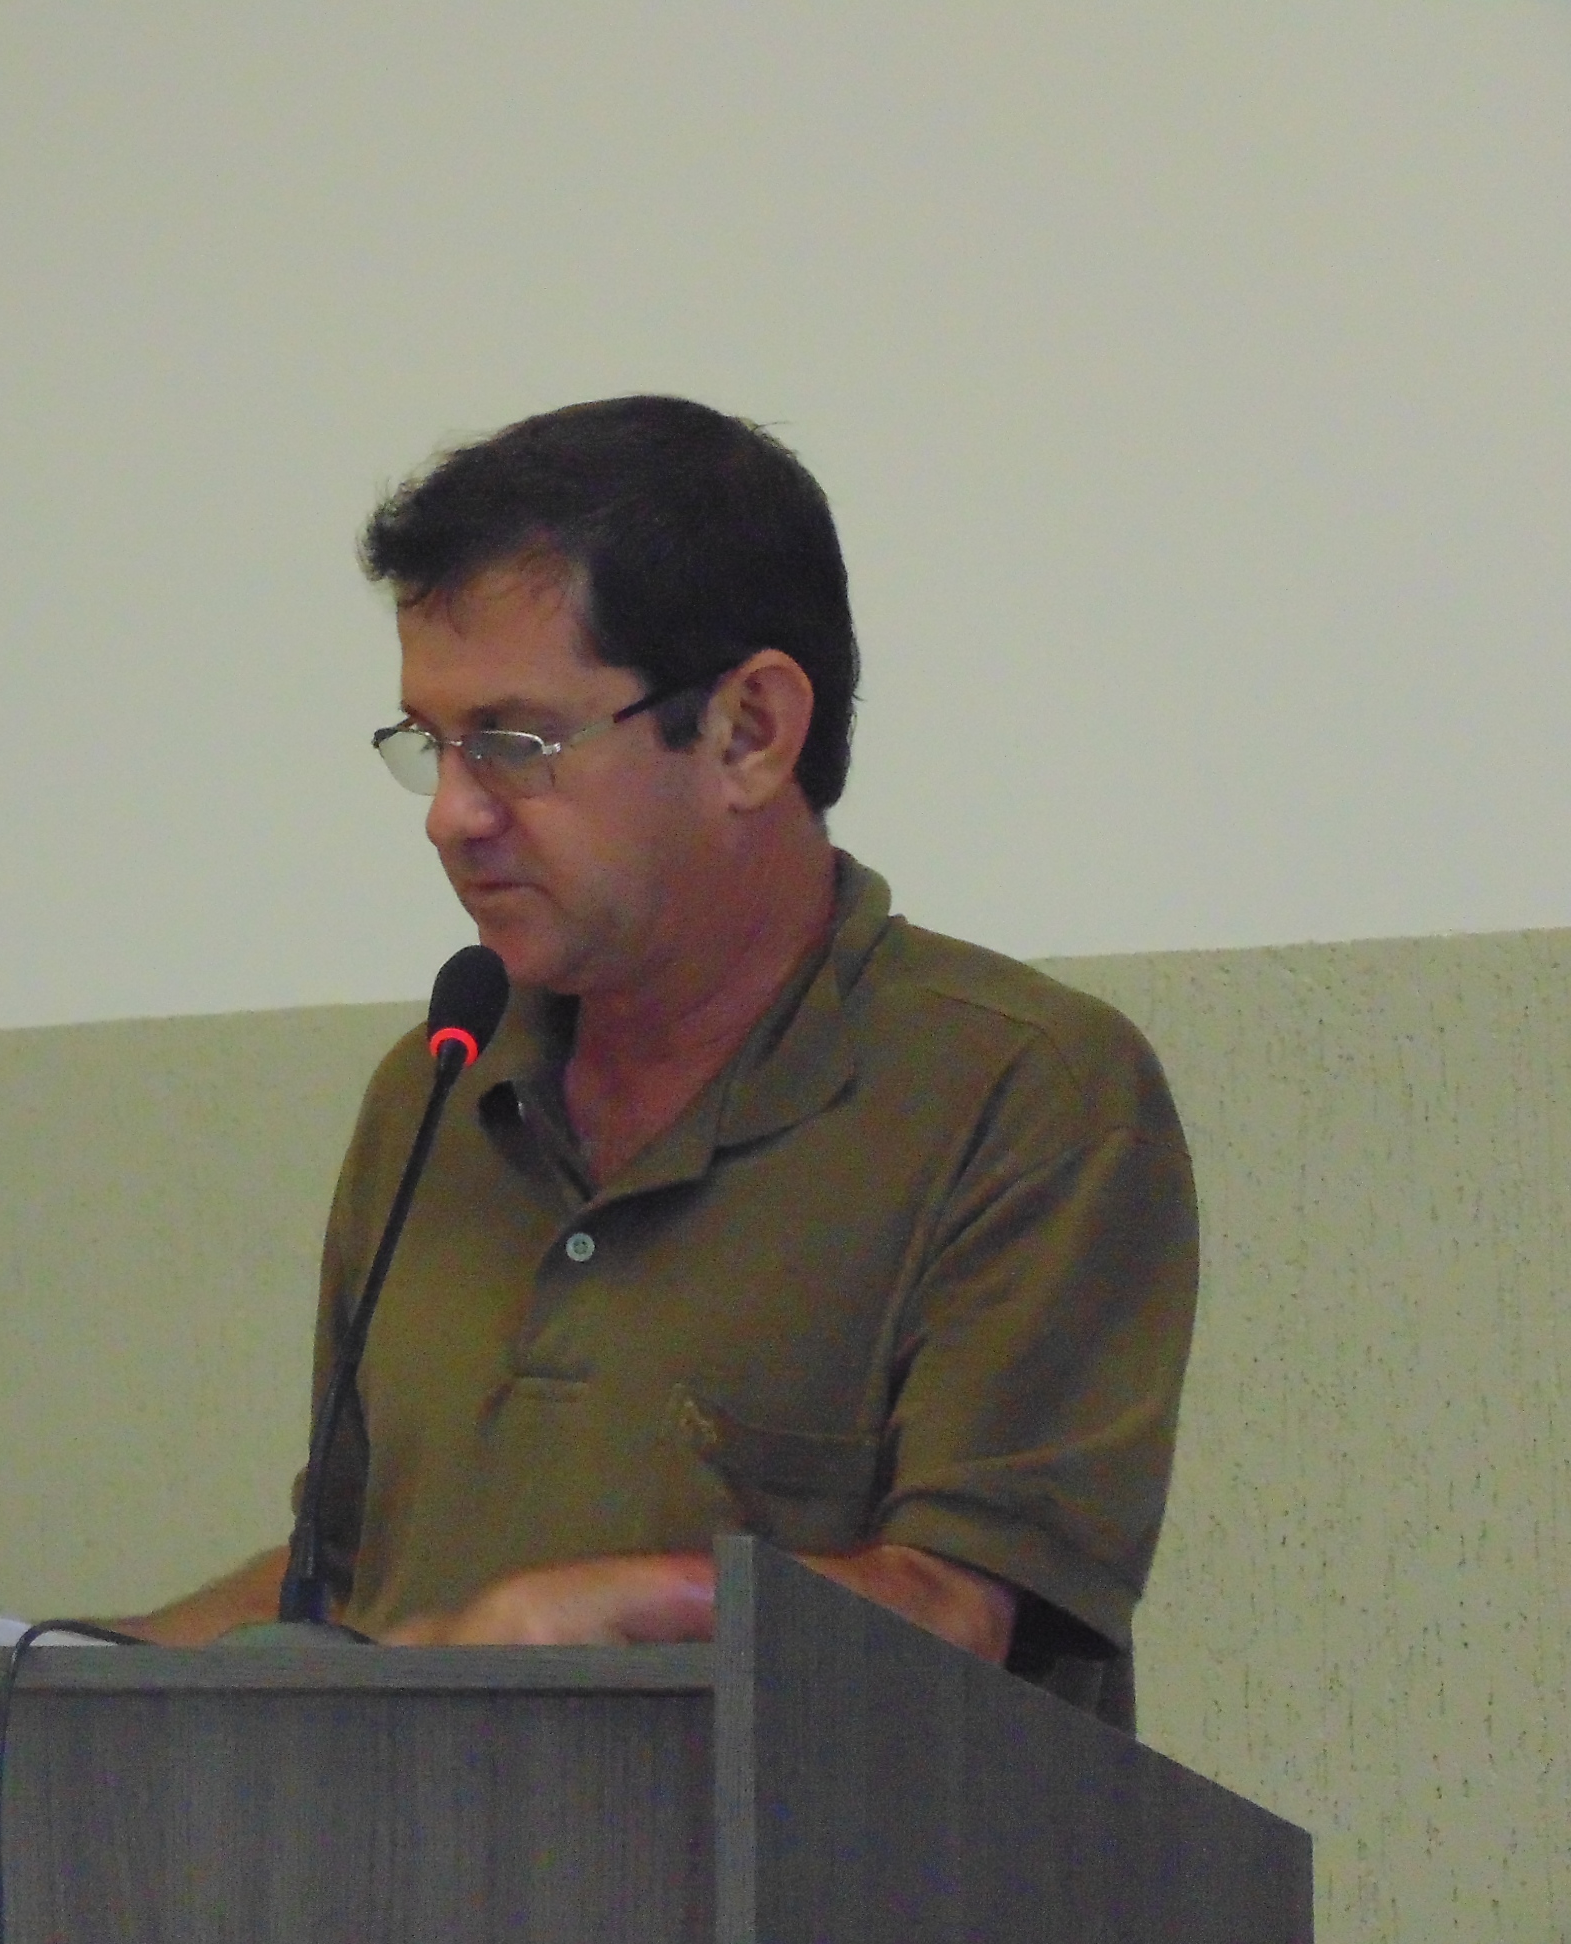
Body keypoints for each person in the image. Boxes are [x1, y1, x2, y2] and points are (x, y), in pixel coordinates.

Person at [129, 396, 1195, 1727]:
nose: (452, 816)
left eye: (513, 746)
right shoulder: (437, 1087)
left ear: (749, 731)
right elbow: (340, 1580)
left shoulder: (1025, 1091)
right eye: (430, 746)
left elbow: (957, 1615)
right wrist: (52, 1672)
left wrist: (623, 1611)